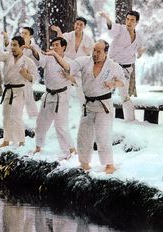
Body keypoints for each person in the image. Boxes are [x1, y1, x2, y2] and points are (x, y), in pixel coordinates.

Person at [45, 40, 125, 174]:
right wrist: (55, 55)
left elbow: (122, 81)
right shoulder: (84, 61)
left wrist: (113, 84)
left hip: (104, 105)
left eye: (99, 51)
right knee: (83, 135)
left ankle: (109, 164)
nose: (95, 53)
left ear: (106, 52)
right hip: (88, 105)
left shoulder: (113, 66)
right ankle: (84, 163)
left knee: (103, 135)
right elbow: (68, 67)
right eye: (94, 50)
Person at [0, 35, 38, 147]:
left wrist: (26, 75)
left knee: (16, 115)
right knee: (6, 115)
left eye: (15, 45)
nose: (12, 47)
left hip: (20, 90)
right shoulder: (7, 56)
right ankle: (6, 140)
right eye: (11, 45)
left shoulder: (28, 61)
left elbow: (34, 77)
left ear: (22, 47)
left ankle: (21, 141)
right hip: (8, 90)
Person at [28, 37, 76, 160]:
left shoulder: (69, 61)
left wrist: (69, 77)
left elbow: (74, 78)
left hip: (61, 96)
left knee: (60, 125)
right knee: (40, 123)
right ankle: (38, 147)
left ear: (63, 47)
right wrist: (33, 48)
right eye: (53, 45)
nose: (54, 47)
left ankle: (70, 150)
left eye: (57, 45)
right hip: (48, 95)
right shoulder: (48, 58)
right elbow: (39, 59)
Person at [99, 10, 146, 121]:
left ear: (137, 22)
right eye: (127, 19)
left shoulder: (139, 36)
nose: (129, 22)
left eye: (132, 20)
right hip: (112, 66)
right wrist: (107, 18)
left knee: (124, 96)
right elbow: (111, 27)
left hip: (126, 69)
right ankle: (101, 119)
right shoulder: (120, 29)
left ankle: (131, 121)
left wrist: (140, 52)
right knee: (102, 91)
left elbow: (138, 54)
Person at [51, 17, 94, 108]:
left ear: (84, 26)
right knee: (64, 90)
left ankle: (85, 109)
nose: (78, 26)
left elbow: (92, 54)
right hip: (67, 65)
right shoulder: (68, 36)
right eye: (77, 24)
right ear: (74, 24)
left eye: (81, 24)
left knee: (81, 90)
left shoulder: (88, 39)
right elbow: (60, 40)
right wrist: (58, 31)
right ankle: (61, 108)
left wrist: (87, 52)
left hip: (79, 68)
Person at [2, 27, 40, 118]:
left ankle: (34, 117)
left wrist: (27, 72)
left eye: (25, 33)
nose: (23, 35)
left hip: (26, 76)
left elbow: (38, 62)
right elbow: (8, 48)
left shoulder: (34, 47)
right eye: (22, 33)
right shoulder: (18, 44)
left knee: (28, 98)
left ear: (31, 36)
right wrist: (6, 38)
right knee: (14, 99)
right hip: (15, 77)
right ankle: (13, 117)